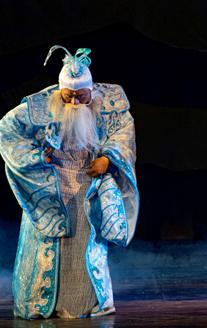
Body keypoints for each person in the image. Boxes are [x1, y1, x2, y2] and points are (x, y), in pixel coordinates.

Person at [0, 46, 139, 319]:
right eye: (68, 96)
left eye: (81, 96)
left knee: (84, 247)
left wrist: (107, 158)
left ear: (90, 91)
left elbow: (123, 133)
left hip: (88, 186)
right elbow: (6, 129)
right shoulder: (40, 105)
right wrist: (36, 156)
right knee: (47, 242)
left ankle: (84, 303)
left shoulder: (109, 104)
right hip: (51, 188)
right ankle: (40, 304)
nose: (74, 102)